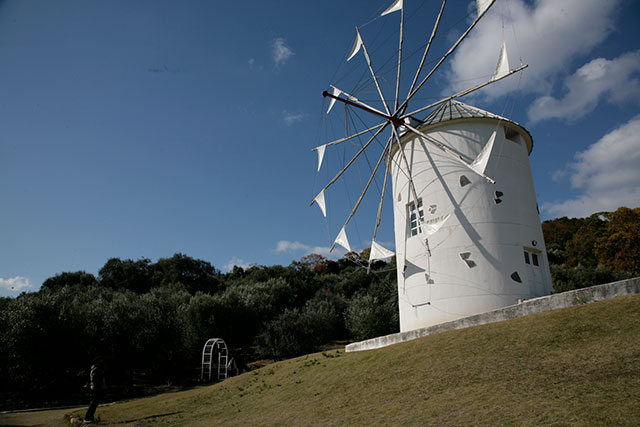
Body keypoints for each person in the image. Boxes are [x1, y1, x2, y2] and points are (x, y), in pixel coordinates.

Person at [84, 356, 106, 423]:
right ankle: (88, 417)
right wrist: (98, 386)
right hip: (96, 388)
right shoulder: (96, 369)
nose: (102, 361)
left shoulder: (96, 368)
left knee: (94, 402)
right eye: (101, 360)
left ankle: (90, 417)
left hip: (96, 387)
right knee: (94, 402)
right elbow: (95, 379)